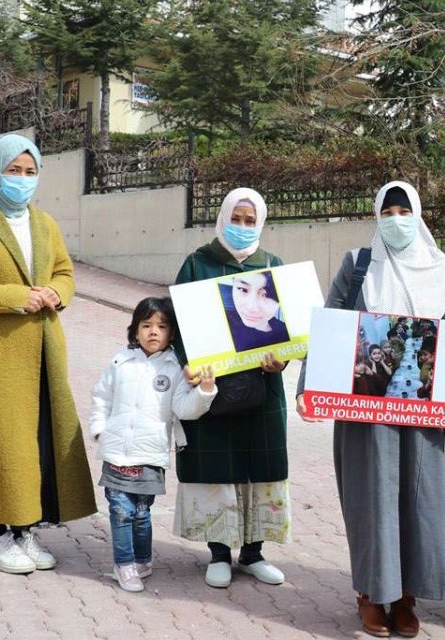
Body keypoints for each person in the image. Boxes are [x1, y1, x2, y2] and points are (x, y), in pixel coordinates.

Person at [297, 181, 445, 638]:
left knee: (419, 501)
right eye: (388, 210)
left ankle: (407, 597)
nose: (396, 218)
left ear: (418, 215)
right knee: (371, 500)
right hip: (365, 410)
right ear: (378, 215)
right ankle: (372, 595)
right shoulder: (358, 267)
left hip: (422, 412)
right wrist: (307, 387)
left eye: (404, 209)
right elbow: (328, 325)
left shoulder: (441, 273)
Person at [0, 133, 97, 574]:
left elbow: (65, 272)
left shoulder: (44, 223)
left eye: (30, 172)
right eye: (14, 171)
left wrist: (56, 293)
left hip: (44, 351)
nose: (22, 180)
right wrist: (17, 296)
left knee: (35, 443)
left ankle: (24, 531)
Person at [173, 187, 291, 590]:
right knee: (216, 467)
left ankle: (254, 553)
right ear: (223, 218)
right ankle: (219, 553)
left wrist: (283, 359)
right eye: (235, 219)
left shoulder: (272, 265)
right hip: (213, 388)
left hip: (262, 389)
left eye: (249, 220)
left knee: (259, 467)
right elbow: (178, 323)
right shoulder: (198, 263)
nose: (242, 228)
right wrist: (192, 364)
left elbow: (287, 330)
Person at [89, 297, 218, 592]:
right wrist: (99, 430)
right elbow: (101, 397)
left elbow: (185, 409)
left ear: (172, 332)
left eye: (161, 326)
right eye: (145, 325)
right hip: (117, 452)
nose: (153, 332)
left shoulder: (175, 368)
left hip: (150, 455)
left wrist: (206, 391)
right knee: (120, 509)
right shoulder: (120, 361)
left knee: (140, 512)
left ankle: (143, 560)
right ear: (135, 331)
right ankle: (124, 565)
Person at [223, 269, 289, 351]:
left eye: (265, 294)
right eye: (243, 289)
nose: (252, 307)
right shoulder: (221, 324)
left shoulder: (287, 333)